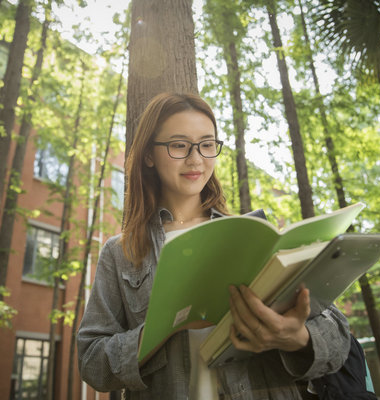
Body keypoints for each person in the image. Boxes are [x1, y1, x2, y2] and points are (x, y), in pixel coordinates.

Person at [77, 93, 351, 399]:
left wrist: (297, 337)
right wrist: (163, 328)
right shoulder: (121, 253)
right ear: (149, 155)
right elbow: (91, 362)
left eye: (207, 144)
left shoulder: (252, 235)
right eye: (179, 145)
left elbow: (339, 337)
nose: (196, 159)